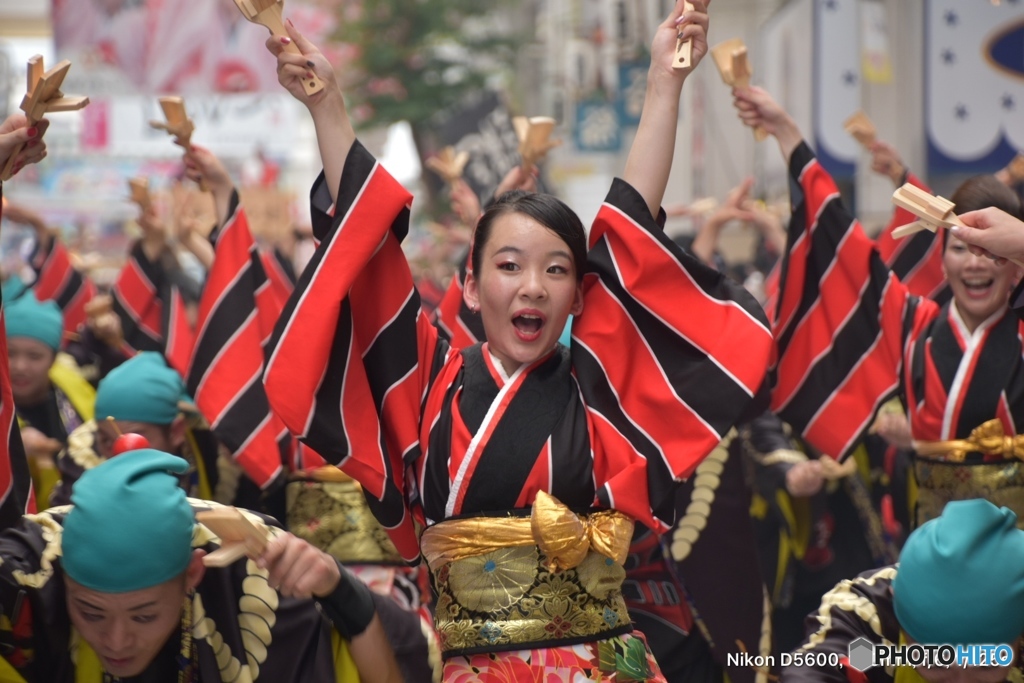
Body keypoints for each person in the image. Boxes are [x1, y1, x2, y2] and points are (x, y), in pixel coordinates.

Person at [263, 3, 774, 679]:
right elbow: (373, 269)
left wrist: (664, 81)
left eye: (556, 269)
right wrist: (327, 108)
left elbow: (630, 236)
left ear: (580, 295)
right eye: (509, 266)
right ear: (469, 289)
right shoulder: (428, 386)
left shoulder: (598, 392)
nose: (532, 285)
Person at [733, 84, 1024, 529]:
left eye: (993, 253)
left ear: (1017, 269)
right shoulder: (914, 325)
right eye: (960, 250)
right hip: (934, 540)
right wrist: (786, 132)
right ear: (939, 261)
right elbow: (839, 237)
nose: (975, 264)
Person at [0, 448, 405, 682]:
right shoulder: (29, 583)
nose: (117, 640)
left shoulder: (253, 579)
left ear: (192, 573)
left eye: (143, 616)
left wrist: (340, 591)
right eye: (92, 612)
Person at [782, 498, 1024, 682]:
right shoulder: (867, 614)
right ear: (899, 614)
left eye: (986, 666)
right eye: (937, 664)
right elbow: (812, 668)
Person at [7, 293, 95, 506]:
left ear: (54, 359)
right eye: (9, 354)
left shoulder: (73, 387)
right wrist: (12, 450)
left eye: (34, 356)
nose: (20, 367)